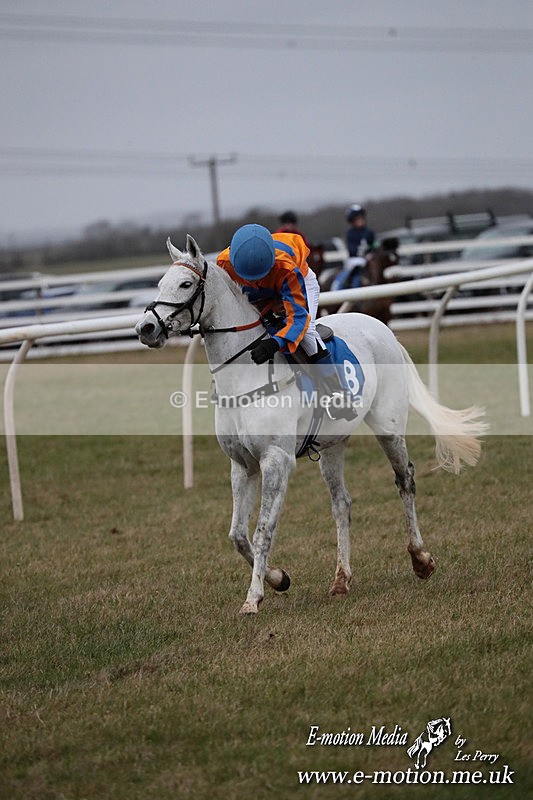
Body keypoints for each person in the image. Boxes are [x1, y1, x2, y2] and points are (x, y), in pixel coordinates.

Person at [216, 224, 355, 418]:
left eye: (261, 275)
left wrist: (275, 343)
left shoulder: (285, 267)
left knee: (307, 332)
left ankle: (336, 392)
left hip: (296, 281)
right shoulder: (223, 264)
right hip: (259, 291)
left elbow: (298, 319)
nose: (257, 279)